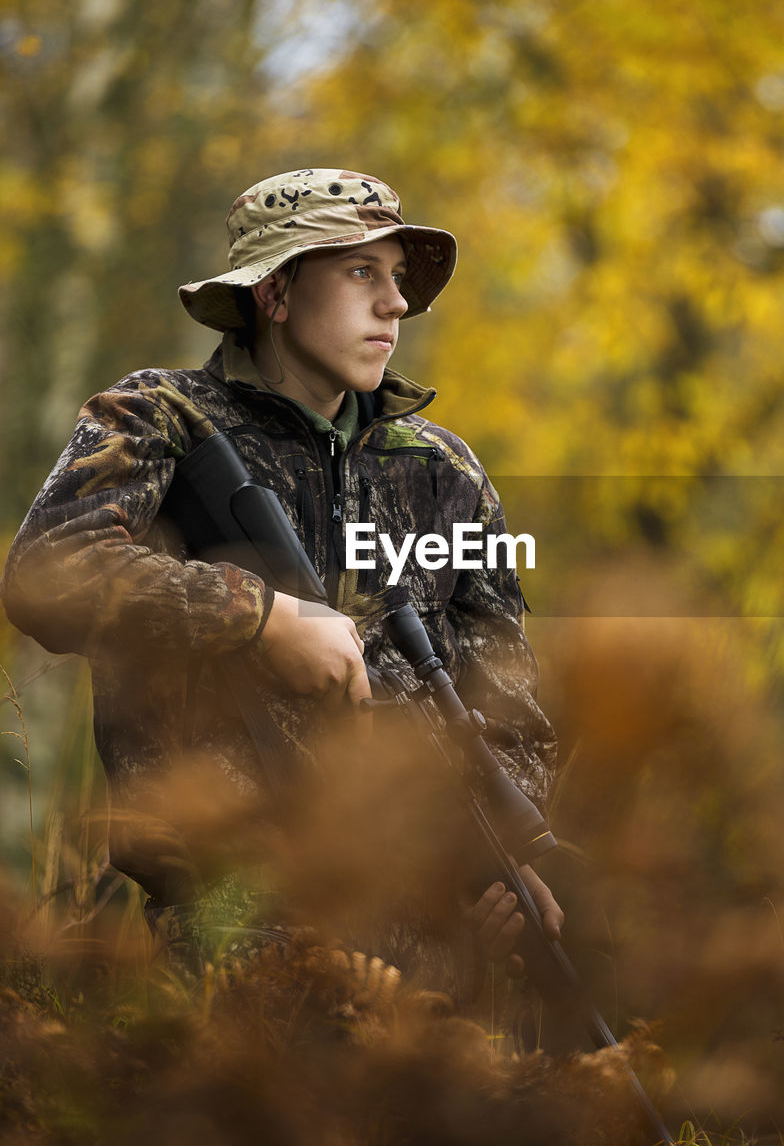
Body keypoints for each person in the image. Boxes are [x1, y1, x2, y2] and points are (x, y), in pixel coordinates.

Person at [1, 167, 560, 990]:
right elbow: (49, 569)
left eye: (398, 277)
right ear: (275, 293)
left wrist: (490, 863)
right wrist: (260, 618)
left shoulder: (444, 472)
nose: (395, 305)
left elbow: (513, 708)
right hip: (219, 938)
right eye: (361, 272)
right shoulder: (160, 417)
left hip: (429, 954)